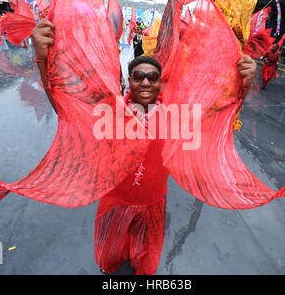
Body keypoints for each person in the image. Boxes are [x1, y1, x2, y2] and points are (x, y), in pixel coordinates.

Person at [31, 19, 258, 274]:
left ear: (160, 83)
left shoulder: (175, 117)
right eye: (139, 76)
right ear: (129, 81)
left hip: (153, 206)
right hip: (114, 203)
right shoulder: (112, 114)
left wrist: (244, 86)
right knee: (108, 261)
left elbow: (218, 117)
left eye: (153, 77)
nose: (146, 82)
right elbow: (67, 112)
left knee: (145, 266)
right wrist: (42, 59)